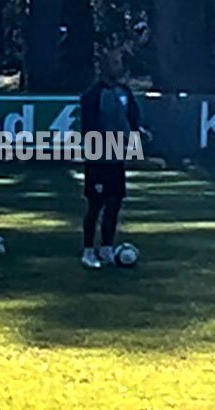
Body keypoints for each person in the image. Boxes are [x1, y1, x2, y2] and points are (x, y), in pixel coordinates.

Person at [80, 47, 143, 269]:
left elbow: (132, 121)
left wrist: (135, 144)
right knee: (96, 204)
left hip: (117, 157)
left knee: (114, 203)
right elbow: (88, 127)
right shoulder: (92, 94)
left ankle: (107, 248)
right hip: (98, 157)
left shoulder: (125, 92)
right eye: (114, 63)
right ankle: (88, 250)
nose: (119, 66)